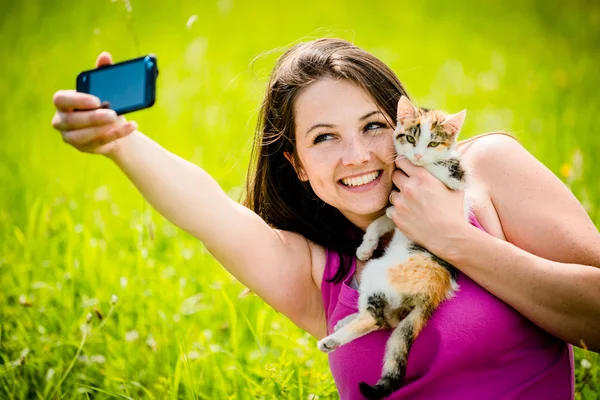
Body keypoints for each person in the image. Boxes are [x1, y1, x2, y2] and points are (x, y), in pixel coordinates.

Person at [51, 38, 600, 399]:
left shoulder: (488, 172)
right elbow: (210, 212)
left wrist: (455, 239)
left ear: (402, 121)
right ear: (298, 166)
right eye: (324, 138)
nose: (357, 155)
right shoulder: (322, 276)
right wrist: (123, 143)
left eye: (373, 127)